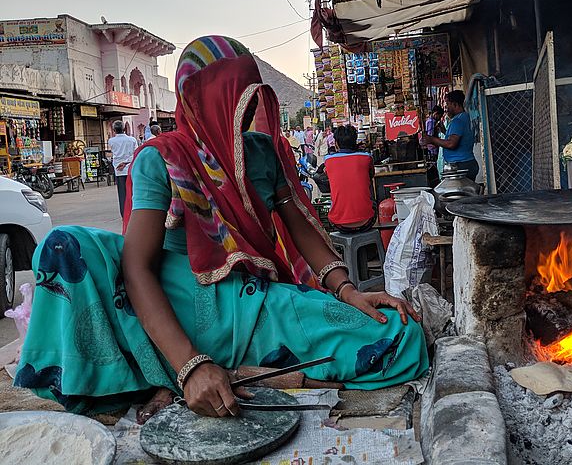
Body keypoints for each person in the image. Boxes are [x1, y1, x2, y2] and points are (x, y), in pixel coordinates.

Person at [15, 35, 428, 422]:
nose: (245, 112)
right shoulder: (161, 159)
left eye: (250, 99)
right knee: (62, 245)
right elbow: (136, 267)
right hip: (181, 314)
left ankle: (231, 371)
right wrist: (190, 365)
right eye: (233, 98)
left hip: (256, 305)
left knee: (402, 341)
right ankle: (188, 371)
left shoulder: (264, 153)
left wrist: (348, 291)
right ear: (201, 99)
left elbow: (301, 232)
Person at [324, 125, 377, 233]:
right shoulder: (367, 157)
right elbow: (371, 176)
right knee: (372, 196)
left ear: (336, 143)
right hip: (367, 222)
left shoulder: (328, 160)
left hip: (339, 224)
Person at [421, 90, 478, 181]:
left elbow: (451, 144)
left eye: (447, 105)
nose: (446, 109)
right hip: (467, 163)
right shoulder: (465, 117)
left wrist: (431, 139)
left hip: (460, 166)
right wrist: (444, 131)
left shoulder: (457, 121)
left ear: (455, 104)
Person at [107, 120, 138, 215]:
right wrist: (126, 162)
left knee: (122, 193)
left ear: (114, 130)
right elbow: (136, 153)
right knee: (133, 191)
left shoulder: (111, 141)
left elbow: (112, 153)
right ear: (124, 128)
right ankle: (134, 210)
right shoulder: (132, 140)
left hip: (119, 170)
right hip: (130, 168)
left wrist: (121, 163)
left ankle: (124, 212)